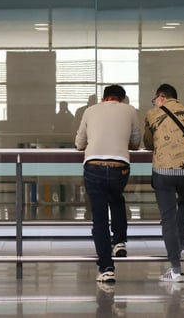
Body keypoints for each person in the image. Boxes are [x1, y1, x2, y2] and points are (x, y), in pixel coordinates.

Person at [74, 84, 142, 284]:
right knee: (116, 198)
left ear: (104, 98)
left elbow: (79, 143)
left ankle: (106, 268)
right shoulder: (130, 110)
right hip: (119, 167)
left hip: (94, 166)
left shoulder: (90, 111)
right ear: (122, 99)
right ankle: (119, 241)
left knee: (100, 218)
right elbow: (136, 143)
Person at [143, 83, 184, 284]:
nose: (155, 103)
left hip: (163, 172)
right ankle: (181, 246)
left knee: (168, 218)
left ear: (161, 97)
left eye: (155, 99)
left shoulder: (153, 114)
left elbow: (148, 144)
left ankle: (176, 270)